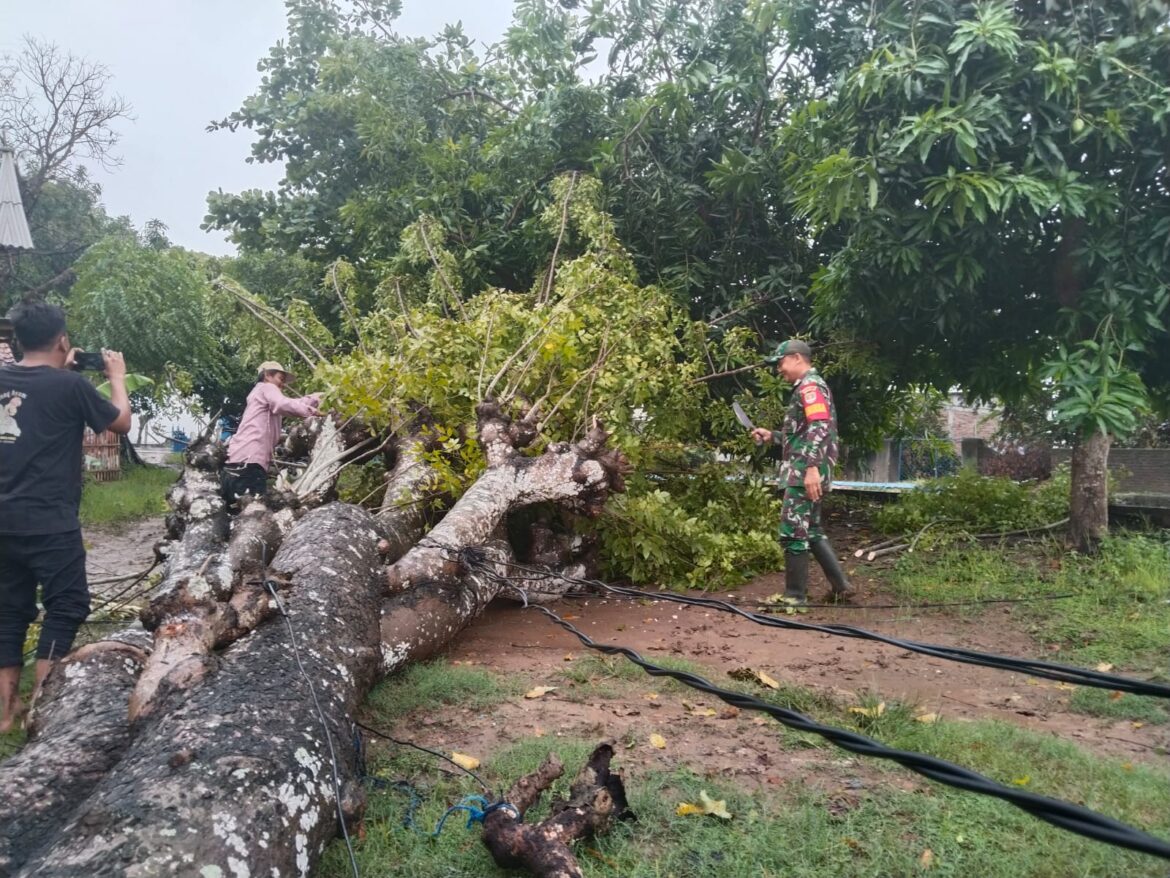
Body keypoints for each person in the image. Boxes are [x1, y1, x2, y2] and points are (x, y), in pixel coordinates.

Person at [0, 301, 131, 731]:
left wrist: (66, 371)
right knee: (67, 604)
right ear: (62, 340)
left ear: (17, 339)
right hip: (49, 521)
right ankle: (41, 706)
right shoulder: (70, 388)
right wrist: (116, 377)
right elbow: (121, 423)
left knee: (7, 610)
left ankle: (4, 713)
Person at [750, 339, 852, 609]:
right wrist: (772, 436)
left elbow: (819, 426)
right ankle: (841, 587)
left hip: (805, 473)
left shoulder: (809, 387)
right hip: (810, 469)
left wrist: (810, 468)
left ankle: (794, 597)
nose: (779, 369)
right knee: (812, 530)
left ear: (796, 358)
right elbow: (803, 434)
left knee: (792, 531)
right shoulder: (810, 387)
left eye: (781, 362)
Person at [221, 361, 321, 510]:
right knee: (253, 518)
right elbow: (282, 404)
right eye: (281, 379)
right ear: (267, 375)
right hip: (249, 464)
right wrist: (314, 412)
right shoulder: (267, 387)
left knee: (232, 517)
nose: (283, 385)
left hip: (235, 462)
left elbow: (290, 402)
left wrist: (315, 398)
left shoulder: (258, 393)